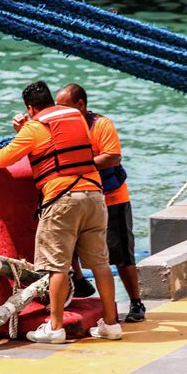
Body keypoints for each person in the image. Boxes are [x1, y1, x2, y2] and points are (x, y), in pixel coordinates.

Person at [0, 81, 122, 343]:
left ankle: (55, 328)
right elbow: (61, 146)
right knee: (100, 263)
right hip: (93, 195)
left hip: (62, 199)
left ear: (30, 108)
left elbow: (2, 159)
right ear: (52, 100)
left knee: (57, 267)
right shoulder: (76, 117)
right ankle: (111, 325)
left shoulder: (33, 128)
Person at [56, 83, 146, 322]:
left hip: (111, 198)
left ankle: (136, 303)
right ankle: (79, 281)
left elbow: (113, 156)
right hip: (82, 198)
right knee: (67, 242)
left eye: (64, 107)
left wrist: (80, 165)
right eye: (57, 107)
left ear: (81, 105)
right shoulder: (61, 127)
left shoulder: (100, 125)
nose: (60, 112)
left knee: (121, 254)